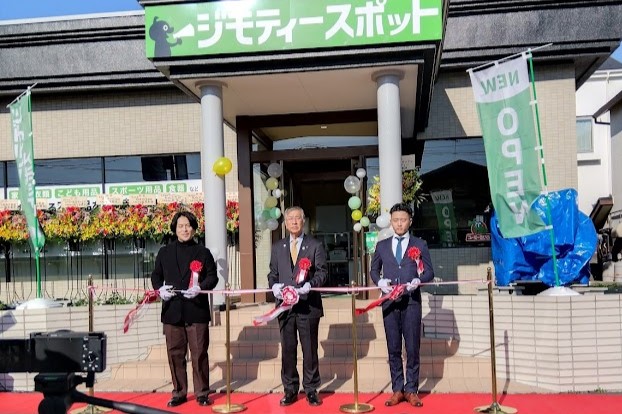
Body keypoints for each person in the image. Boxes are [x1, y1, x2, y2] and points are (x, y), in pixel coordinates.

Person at [151, 211, 219, 407]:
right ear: (175, 229)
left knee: (199, 354)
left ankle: (202, 392)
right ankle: (179, 392)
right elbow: (156, 275)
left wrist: (200, 287)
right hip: (172, 310)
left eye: (188, 226)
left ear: (194, 228)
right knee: (175, 354)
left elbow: (212, 277)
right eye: (180, 226)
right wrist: (159, 289)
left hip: (196, 310)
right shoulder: (164, 252)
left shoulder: (203, 252)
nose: (184, 229)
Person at [370, 202, 435, 408]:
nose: (399, 224)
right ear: (391, 221)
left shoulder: (419, 244)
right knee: (393, 347)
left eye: (403, 220)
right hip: (389, 302)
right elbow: (374, 270)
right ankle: (397, 389)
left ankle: (411, 389)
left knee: (413, 347)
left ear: (410, 221)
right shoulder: (382, 245)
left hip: (411, 301)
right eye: (396, 220)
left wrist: (419, 280)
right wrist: (379, 281)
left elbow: (429, 272)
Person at [268, 206, 328, 407]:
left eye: (297, 218)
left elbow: (322, 272)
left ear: (304, 221)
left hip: (307, 306)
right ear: (285, 223)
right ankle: (290, 389)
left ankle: (311, 389)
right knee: (288, 350)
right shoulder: (278, 247)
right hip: (285, 307)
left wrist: (311, 284)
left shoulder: (315, 245)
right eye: (290, 219)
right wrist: (274, 286)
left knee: (309, 350)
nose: (294, 222)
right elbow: (273, 273)